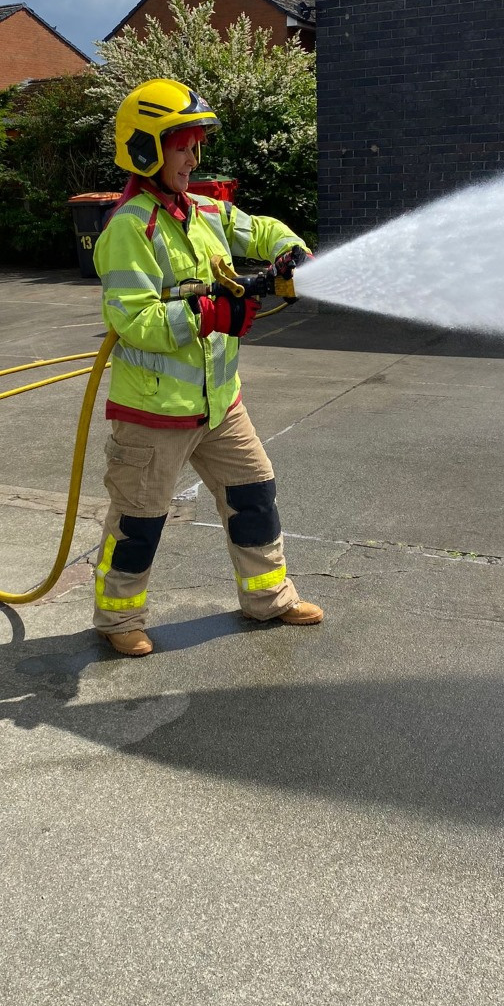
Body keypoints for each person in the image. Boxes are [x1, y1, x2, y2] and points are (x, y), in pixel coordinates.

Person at [92, 77, 323, 656]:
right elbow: (135, 321)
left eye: (196, 145)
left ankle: (269, 598)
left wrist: (290, 250)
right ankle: (119, 619)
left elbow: (260, 229)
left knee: (255, 495)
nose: (193, 159)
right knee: (138, 521)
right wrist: (210, 312)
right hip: (153, 413)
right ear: (145, 149)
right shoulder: (129, 228)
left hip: (220, 405)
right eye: (181, 146)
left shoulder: (204, 212)